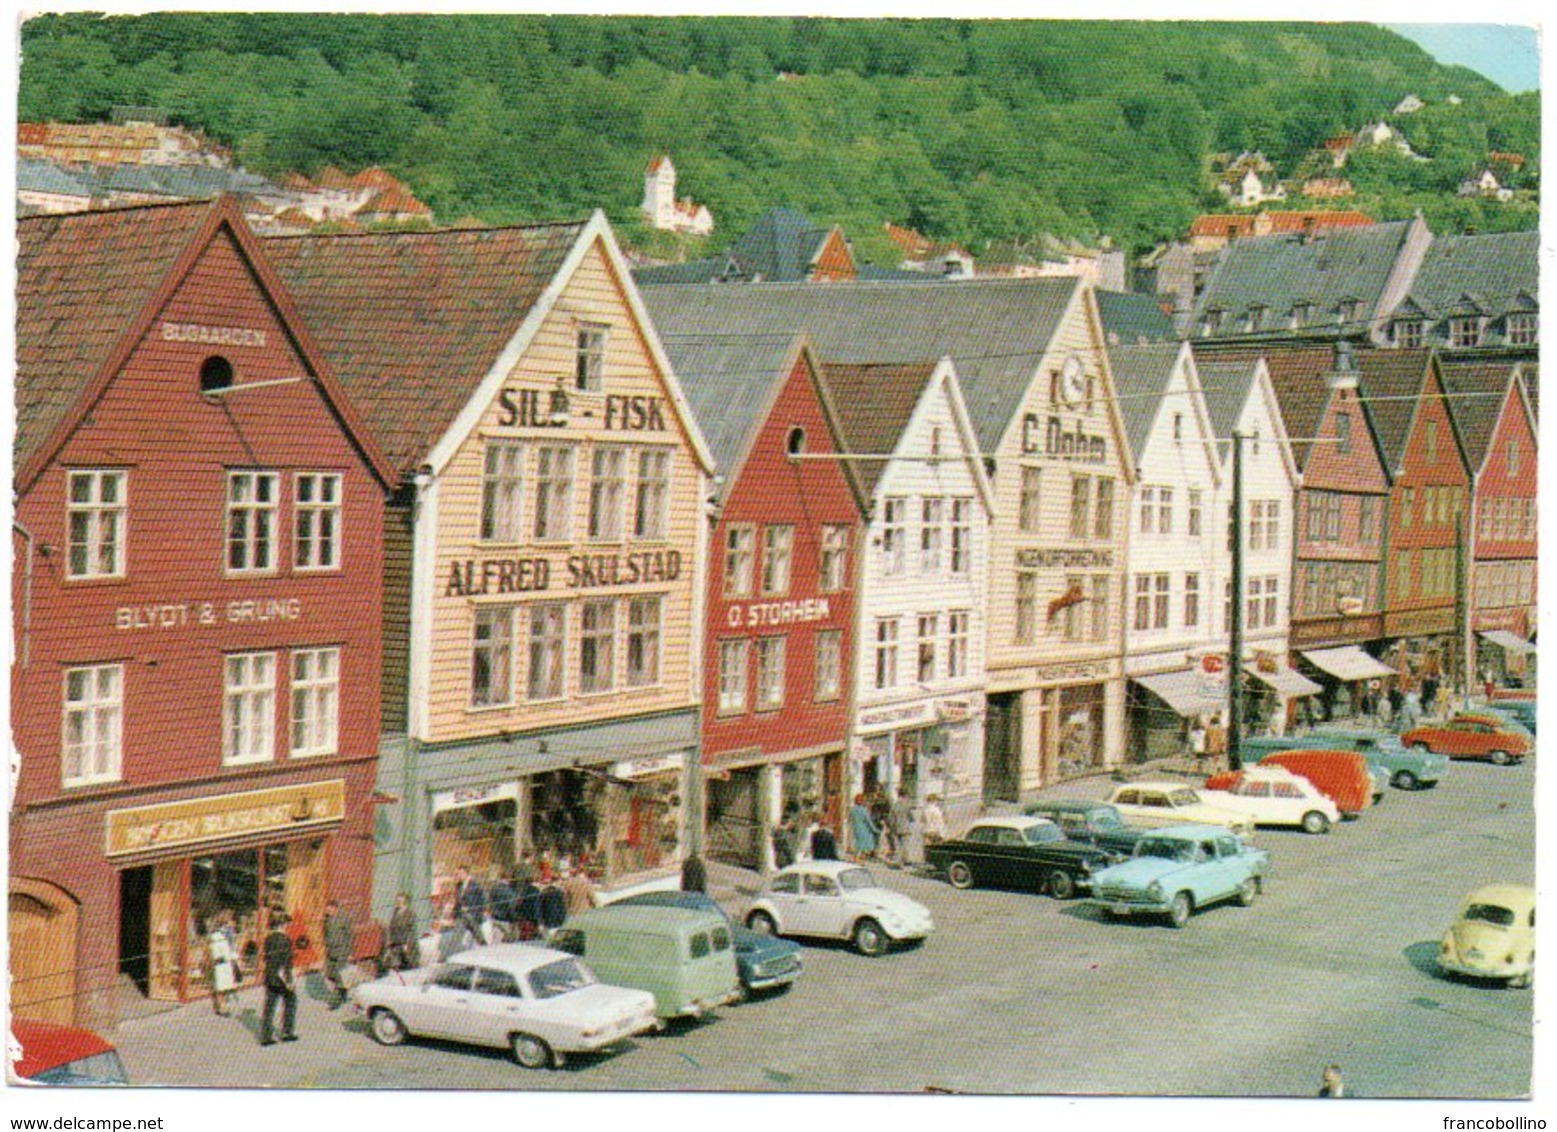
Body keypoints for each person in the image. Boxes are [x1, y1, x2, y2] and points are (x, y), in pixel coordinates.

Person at [260, 913, 298, 1046]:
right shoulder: (284, 940)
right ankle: (287, 1032)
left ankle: (266, 1036)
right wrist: (289, 981)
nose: (288, 926)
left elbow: (267, 959)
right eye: (287, 924)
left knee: (270, 1005)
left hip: (270, 976)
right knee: (291, 1001)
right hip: (280, 977)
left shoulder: (268, 938)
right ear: (283, 925)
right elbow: (285, 962)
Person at [321, 900, 354, 1009]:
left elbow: (350, 936)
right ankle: (344, 993)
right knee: (330, 974)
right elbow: (325, 933)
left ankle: (336, 1002)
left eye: (329, 909)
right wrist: (326, 946)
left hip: (341, 951)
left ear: (335, 908)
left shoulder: (344, 918)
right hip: (330, 951)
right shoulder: (326, 919)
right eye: (326, 909)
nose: (327, 911)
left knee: (339, 976)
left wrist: (350, 953)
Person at [208, 909, 238, 1017]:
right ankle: (221, 1007)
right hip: (221, 963)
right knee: (221, 986)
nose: (232, 923)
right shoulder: (217, 935)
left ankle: (225, 1005)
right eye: (230, 920)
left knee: (226, 985)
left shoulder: (229, 934)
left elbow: (232, 947)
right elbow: (215, 950)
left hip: (227, 962)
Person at [453, 865, 487, 947]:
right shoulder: (458, 886)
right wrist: (454, 914)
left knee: (475, 931)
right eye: (457, 874)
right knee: (459, 931)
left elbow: (482, 900)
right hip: (461, 914)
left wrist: (478, 912)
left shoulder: (474, 884)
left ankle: (483, 944)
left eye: (460, 873)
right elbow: (457, 901)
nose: (458, 876)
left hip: (473, 913)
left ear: (466, 873)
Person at [385, 892, 417, 970]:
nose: (398, 903)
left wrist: (407, 943)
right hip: (395, 943)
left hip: (405, 943)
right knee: (395, 964)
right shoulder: (395, 913)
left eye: (400, 901)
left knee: (407, 963)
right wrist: (390, 939)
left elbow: (411, 931)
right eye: (397, 901)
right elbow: (391, 927)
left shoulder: (410, 914)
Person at [888, 790, 913, 867]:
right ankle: (904, 860)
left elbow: (890, 818)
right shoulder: (907, 806)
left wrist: (891, 827)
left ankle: (902, 860)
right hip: (905, 828)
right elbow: (911, 817)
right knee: (905, 845)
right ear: (903, 797)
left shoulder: (894, 806)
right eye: (906, 797)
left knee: (898, 845)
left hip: (896, 828)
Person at [848, 795, 878, 860]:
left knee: (859, 843)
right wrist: (874, 829)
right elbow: (868, 821)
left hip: (856, 829)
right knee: (868, 842)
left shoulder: (852, 810)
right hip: (864, 829)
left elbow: (849, 819)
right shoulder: (863, 810)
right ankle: (860, 857)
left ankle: (860, 856)